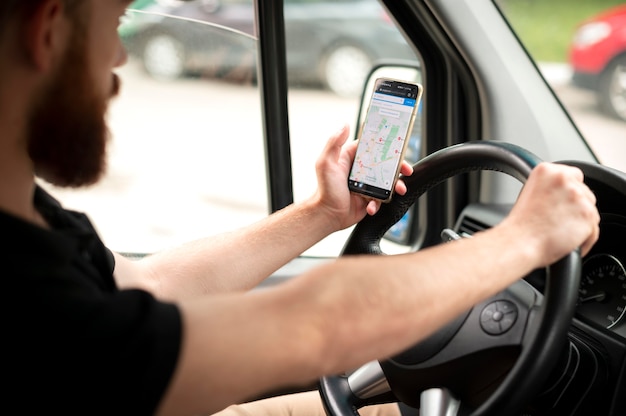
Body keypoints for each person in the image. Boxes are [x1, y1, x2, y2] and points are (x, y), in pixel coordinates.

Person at [1, 0, 600, 415]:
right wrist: (523, 239)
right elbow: (319, 325)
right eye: (116, 22)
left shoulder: (27, 213)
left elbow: (148, 284)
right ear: (48, 30)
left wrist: (320, 213)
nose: (119, 59)